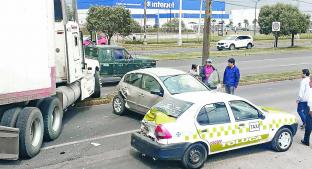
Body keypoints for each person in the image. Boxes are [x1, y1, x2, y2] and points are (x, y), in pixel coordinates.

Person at [301, 76, 312, 146]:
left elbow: (311, 101)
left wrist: (311, 111)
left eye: (310, 81)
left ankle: (306, 140)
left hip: (310, 110)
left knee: (308, 126)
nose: (309, 83)